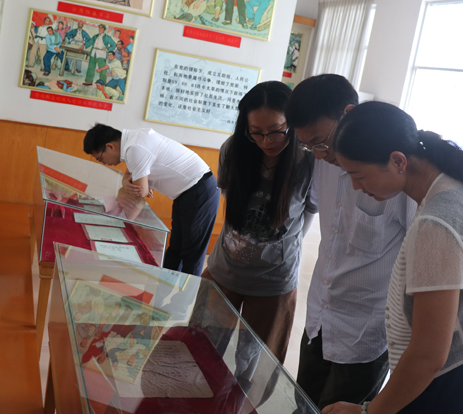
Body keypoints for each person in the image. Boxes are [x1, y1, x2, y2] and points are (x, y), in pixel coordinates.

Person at [322, 102, 463, 414]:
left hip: (454, 395)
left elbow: (429, 353)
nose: (356, 187)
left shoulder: (438, 223)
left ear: (398, 161)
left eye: (359, 176)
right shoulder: (461, 190)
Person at [285, 74, 417, 414]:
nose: (319, 154)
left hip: (365, 331)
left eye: (321, 142)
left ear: (347, 113)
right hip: (319, 317)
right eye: (309, 146)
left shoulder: (393, 172)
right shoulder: (323, 162)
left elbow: (418, 258)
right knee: (302, 410)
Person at [204, 81, 316, 364]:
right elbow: (228, 195)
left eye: (276, 131)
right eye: (256, 132)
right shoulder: (234, 150)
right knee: (201, 352)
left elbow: (309, 212)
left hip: (274, 282)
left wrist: (284, 247)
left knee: (255, 365)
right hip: (224, 270)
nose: (267, 141)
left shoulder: (308, 161)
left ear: (292, 124)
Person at [83, 125, 221, 277]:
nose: (104, 163)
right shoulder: (131, 142)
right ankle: (164, 288)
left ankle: (187, 292)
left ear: (110, 146)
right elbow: (131, 177)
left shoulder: (135, 148)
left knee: (192, 254)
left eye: (101, 159)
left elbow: (140, 192)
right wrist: (128, 183)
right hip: (185, 194)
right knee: (175, 249)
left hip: (199, 190)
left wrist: (119, 226)